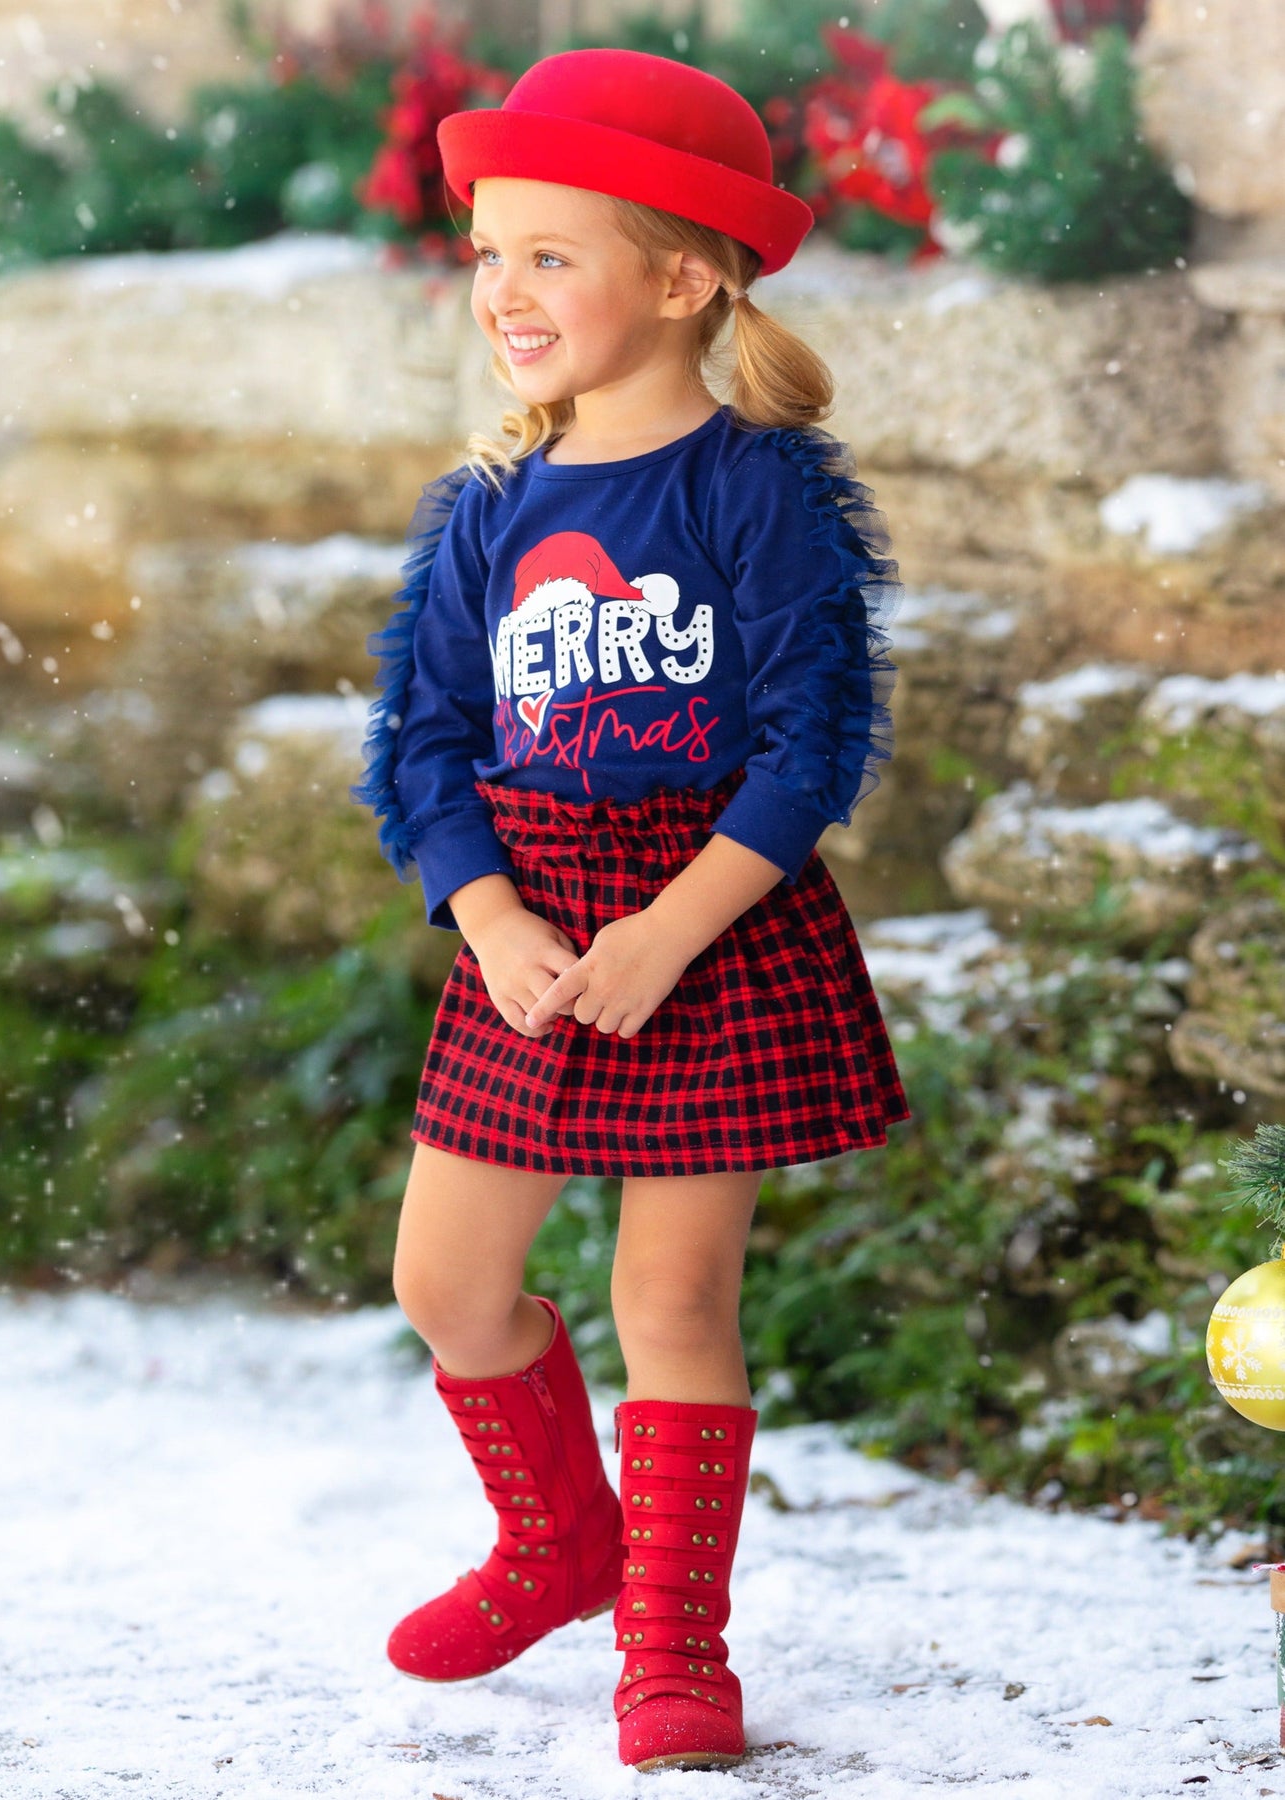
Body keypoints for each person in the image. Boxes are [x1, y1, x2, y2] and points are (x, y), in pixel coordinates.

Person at [349, 45, 911, 1775]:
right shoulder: (491, 508)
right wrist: (490, 917)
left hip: (710, 916)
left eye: (549, 254)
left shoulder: (761, 489)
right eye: (488, 253)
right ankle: (557, 1544)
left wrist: (673, 929)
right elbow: (426, 741)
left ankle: (673, 1646)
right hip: (528, 917)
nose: (502, 291)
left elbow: (813, 744)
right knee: (447, 1283)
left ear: (681, 280)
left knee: (673, 1298)